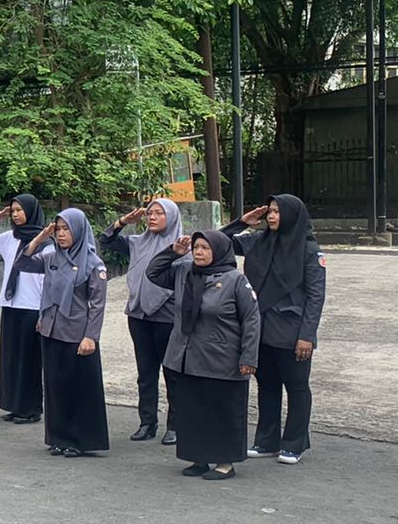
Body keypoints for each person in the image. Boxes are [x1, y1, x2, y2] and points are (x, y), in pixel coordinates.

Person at [145, 230, 260, 480]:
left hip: (222, 357)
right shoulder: (184, 272)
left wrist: (248, 357)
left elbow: (252, 319)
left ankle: (225, 462)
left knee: (221, 411)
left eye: (205, 248)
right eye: (196, 247)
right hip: (188, 355)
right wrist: (173, 252)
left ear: (218, 251)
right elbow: (152, 273)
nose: (198, 252)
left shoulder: (235, 280)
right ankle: (199, 457)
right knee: (193, 410)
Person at [221, 195, 327, 464]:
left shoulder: (308, 249)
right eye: (269, 211)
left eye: (278, 212)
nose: (271, 216)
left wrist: (307, 336)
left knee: (296, 386)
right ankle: (267, 440)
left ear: (291, 215)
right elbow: (218, 243)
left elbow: (316, 296)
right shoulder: (259, 241)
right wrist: (241, 222)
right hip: (260, 327)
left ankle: (294, 443)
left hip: (292, 330)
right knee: (267, 385)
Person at [18, 208, 109, 458]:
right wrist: (40, 238)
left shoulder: (93, 263)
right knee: (55, 387)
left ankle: (79, 440)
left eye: (66, 229)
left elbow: (98, 304)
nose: (61, 234)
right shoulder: (52, 258)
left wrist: (91, 336)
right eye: (58, 229)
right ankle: (58, 437)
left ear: (79, 230)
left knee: (77, 388)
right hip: (51, 329)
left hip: (77, 334)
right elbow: (23, 263)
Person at [100, 198, 184, 444]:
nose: (152, 217)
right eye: (150, 213)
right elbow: (106, 241)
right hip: (138, 315)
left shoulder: (183, 244)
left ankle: (175, 426)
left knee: (172, 373)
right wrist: (123, 221)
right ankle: (147, 422)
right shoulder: (137, 242)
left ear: (171, 217)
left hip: (167, 317)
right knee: (145, 373)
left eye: (159, 213)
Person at [0, 194, 46, 425]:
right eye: (12, 211)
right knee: (11, 359)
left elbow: (47, 281)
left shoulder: (45, 241)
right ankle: (15, 405)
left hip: (32, 306)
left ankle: (31, 408)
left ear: (31, 211)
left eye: (19, 210)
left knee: (29, 360)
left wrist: (45, 312)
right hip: (11, 304)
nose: (15, 214)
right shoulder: (9, 238)